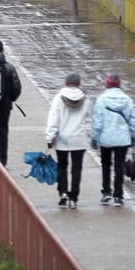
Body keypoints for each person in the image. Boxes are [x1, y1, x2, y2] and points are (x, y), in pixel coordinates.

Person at [90, 74, 135, 208]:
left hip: (106, 139)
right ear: (119, 85)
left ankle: (106, 192)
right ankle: (118, 196)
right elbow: (133, 121)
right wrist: (133, 137)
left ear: (107, 84)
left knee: (106, 165)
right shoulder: (127, 100)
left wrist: (94, 138)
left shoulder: (102, 100)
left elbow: (97, 122)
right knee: (119, 167)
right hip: (122, 140)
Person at [45, 73, 90, 209]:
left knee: (62, 166)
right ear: (78, 83)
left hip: (62, 139)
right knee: (77, 168)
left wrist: (50, 137)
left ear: (66, 83)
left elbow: (53, 119)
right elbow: (88, 119)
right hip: (79, 139)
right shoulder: (85, 99)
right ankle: (74, 197)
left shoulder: (58, 98)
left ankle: (63, 192)